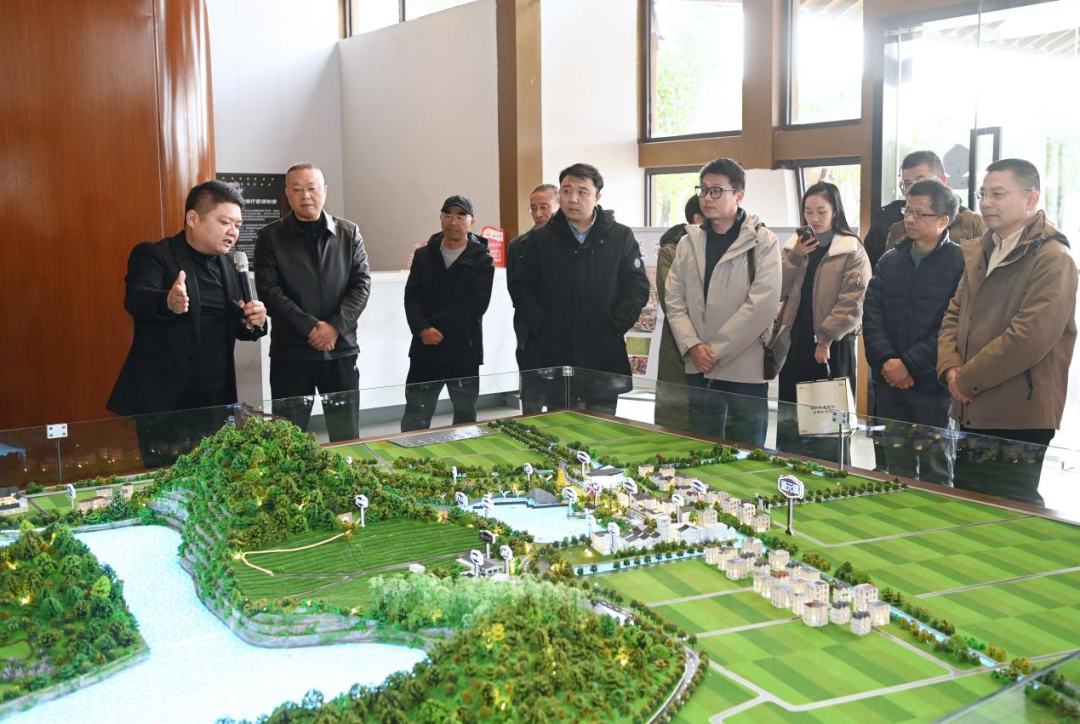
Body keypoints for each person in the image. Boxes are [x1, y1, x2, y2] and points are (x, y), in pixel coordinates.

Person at [938, 159, 1077, 503]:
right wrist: (950, 368)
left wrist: (965, 380)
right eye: (983, 194)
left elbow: (1028, 338)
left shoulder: (1053, 258)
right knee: (969, 502)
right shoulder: (983, 250)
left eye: (998, 194)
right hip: (971, 405)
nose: (986, 203)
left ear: (1031, 199)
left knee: (1009, 509)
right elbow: (954, 315)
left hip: (1018, 411)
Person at [108, 180, 267, 467]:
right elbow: (137, 298)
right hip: (168, 401)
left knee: (216, 479)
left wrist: (254, 321)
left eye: (238, 225)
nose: (233, 232)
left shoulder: (230, 266)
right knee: (168, 481)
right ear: (193, 218)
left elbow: (237, 326)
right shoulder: (154, 255)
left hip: (217, 400)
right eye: (225, 222)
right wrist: (167, 301)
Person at [509, 163, 650, 415]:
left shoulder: (620, 236)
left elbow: (636, 286)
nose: (572, 198)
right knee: (560, 426)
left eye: (582, 192)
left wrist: (614, 324)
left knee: (602, 427)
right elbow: (522, 287)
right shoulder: (541, 238)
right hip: (555, 351)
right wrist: (543, 325)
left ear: (597, 197)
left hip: (603, 350)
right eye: (566, 190)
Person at [664, 159, 781, 447]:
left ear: (739, 195)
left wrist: (715, 351)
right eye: (703, 190)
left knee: (747, 454)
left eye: (716, 191)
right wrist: (693, 345)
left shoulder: (763, 241)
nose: (707, 197)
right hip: (699, 367)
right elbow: (674, 300)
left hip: (745, 368)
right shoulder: (688, 242)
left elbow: (762, 305)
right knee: (701, 451)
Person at [254, 163, 371, 442]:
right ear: (287, 194)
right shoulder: (270, 236)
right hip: (291, 353)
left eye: (311, 188)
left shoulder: (349, 233)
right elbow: (268, 290)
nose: (305, 195)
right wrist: (310, 328)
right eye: (297, 189)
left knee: (345, 433)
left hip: (340, 350)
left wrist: (334, 327)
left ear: (324, 191)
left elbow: (361, 285)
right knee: (288, 438)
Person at [863, 180, 964, 485]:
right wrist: (888, 361)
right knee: (897, 466)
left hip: (933, 384)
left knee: (936, 468)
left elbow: (954, 326)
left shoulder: (960, 263)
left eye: (920, 214)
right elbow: (872, 316)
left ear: (943, 220)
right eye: (908, 211)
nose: (909, 219)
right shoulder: (889, 260)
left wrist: (908, 364)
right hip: (889, 381)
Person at [774, 182, 871, 463]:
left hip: (833, 345)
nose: (814, 218)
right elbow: (776, 290)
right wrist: (795, 257)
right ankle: (789, 468)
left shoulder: (850, 248)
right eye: (808, 211)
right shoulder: (794, 246)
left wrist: (825, 338)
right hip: (795, 342)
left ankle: (832, 471)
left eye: (821, 211)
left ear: (835, 211)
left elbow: (853, 301)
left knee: (828, 419)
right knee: (792, 417)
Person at [401, 195, 495, 431]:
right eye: (448, 215)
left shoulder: (482, 259)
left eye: (461, 216)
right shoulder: (424, 255)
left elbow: (476, 304)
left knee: (464, 416)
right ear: (441, 217)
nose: (453, 221)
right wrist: (422, 328)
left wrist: (433, 326)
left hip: (464, 351)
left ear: (472, 222)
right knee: (416, 413)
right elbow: (412, 296)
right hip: (425, 349)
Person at [864, 150, 985, 270]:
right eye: (908, 184)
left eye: (921, 181)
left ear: (942, 180)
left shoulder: (972, 224)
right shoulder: (894, 226)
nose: (913, 189)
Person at [506, 183, 559, 413]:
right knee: (532, 402)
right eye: (533, 208)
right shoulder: (518, 245)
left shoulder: (571, 243)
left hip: (563, 335)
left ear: (558, 206)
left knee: (561, 403)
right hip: (531, 335)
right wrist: (539, 323)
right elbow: (516, 291)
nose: (538, 213)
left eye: (544, 207)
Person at [654, 195, 705, 431]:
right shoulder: (671, 251)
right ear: (698, 219)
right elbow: (671, 301)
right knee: (676, 420)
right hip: (679, 346)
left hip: (718, 350)